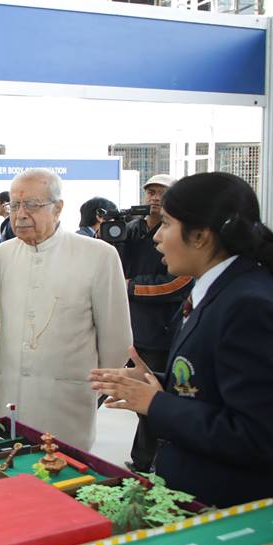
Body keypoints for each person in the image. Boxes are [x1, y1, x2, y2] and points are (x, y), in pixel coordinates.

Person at [91, 172, 273, 511]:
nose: (157, 237)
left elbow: (258, 436)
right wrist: (155, 382)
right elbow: (212, 388)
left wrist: (155, 403)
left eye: (167, 224)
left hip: (234, 509)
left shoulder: (249, 306)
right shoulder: (218, 291)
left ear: (201, 236)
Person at [0, 168, 131, 450]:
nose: (20, 215)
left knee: (62, 471)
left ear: (58, 207)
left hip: (68, 403)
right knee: (4, 470)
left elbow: (116, 341)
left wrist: (92, 391)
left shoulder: (99, 255)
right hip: (8, 398)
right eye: (14, 205)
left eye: (32, 205)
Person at [116, 174, 193, 472]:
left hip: (155, 331)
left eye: (162, 192)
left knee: (150, 401)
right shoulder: (131, 228)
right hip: (123, 327)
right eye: (151, 192)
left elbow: (176, 285)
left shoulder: (180, 236)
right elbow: (112, 264)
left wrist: (130, 286)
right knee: (96, 386)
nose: (155, 197)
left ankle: (143, 463)